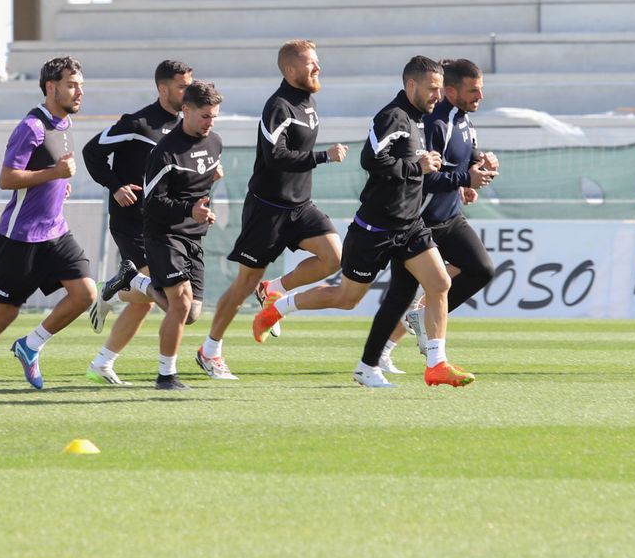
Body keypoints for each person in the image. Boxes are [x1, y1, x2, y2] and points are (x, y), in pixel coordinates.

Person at [249, 55, 475, 388]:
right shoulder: (393, 117)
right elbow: (371, 160)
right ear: (411, 85)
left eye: (439, 90)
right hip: (375, 229)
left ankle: (436, 365)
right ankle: (280, 308)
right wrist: (418, 166)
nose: (437, 97)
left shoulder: (419, 120)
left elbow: (413, 164)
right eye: (432, 89)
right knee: (347, 298)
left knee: (440, 284)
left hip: (409, 225)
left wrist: (433, 167)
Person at [196, 40, 349, 380]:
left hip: (300, 205)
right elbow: (274, 156)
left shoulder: (307, 101)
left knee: (334, 258)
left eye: (317, 62)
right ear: (291, 69)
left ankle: (273, 288)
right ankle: (209, 351)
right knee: (242, 285)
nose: (318, 68)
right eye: (312, 63)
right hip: (267, 210)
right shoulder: (278, 106)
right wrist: (323, 156)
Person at [0, 56, 97, 403]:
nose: (79, 92)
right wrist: (54, 176)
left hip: (55, 232)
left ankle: (30, 346)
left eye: (80, 86)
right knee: (7, 311)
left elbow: (52, 170)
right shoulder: (30, 127)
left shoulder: (64, 125)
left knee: (85, 294)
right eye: (72, 85)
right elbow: (7, 179)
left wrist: (60, 186)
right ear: (51, 87)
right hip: (22, 236)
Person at [354, 58, 498, 387]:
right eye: (473, 90)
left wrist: (482, 165)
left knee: (479, 269)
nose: (480, 96)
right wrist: (464, 179)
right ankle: (374, 358)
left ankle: (391, 352)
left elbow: (465, 158)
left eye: (481, 90)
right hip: (422, 218)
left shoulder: (464, 121)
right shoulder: (434, 123)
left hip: (448, 216)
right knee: (377, 295)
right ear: (451, 91)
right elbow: (424, 177)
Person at [80, 59, 189, 385]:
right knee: (167, 297)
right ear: (163, 88)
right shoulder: (137, 123)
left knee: (146, 304)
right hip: (130, 222)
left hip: (161, 224)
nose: (188, 91)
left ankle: (102, 363)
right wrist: (115, 186)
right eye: (182, 86)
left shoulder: (186, 125)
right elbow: (91, 152)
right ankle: (112, 292)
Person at [140, 81, 224, 391]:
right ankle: (166, 376)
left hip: (193, 235)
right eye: (205, 116)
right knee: (182, 304)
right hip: (163, 233)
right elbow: (152, 203)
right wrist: (191, 209)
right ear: (185, 110)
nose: (210, 123)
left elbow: (202, 181)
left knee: (192, 314)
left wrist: (202, 210)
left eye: (214, 117)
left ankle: (136, 282)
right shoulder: (164, 152)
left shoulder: (215, 142)